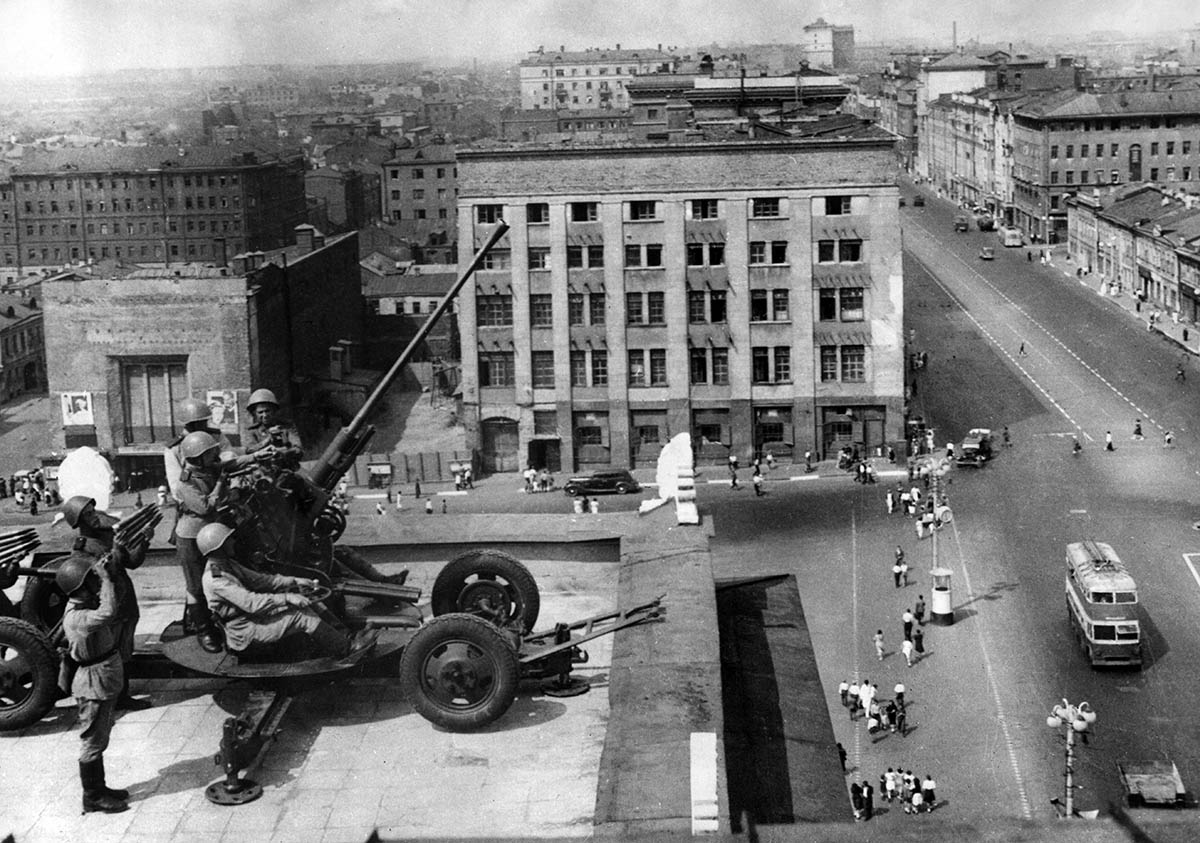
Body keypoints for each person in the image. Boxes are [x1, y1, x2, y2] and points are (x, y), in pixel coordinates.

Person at [197, 523, 371, 660]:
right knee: (302, 617)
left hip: (253, 619)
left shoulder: (227, 565)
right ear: (218, 547)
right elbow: (252, 603)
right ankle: (347, 649)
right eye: (228, 540)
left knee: (308, 602)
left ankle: (346, 635)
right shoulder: (216, 579)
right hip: (244, 631)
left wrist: (295, 581)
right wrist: (287, 598)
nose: (233, 541)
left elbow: (262, 581)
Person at [59, 496, 152, 711]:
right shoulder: (81, 549)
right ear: (77, 520)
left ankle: (122, 694)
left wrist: (144, 542)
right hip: (108, 604)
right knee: (114, 651)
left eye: (93, 512)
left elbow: (132, 562)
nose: (94, 517)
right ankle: (116, 696)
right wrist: (118, 551)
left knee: (126, 651)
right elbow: (101, 575)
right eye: (88, 515)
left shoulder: (106, 536)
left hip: (126, 600)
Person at [57, 555, 132, 813]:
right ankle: (92, 796)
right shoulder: (76, 617)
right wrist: (105, 578)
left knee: (100, 736)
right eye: (90, 579)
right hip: (93, 683)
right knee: (93, 741)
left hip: (102, 677)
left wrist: (109, 575)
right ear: (80, 588)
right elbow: (108, 611)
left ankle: (99, 788)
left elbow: (114, 605)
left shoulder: (84, 604)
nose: (95, 582)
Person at [174, 430, 231, 653]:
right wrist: (221, 483)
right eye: (210, 453)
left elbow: (235, 462)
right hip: (191, 537)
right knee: (196, 586)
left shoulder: (209, 469)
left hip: (211, 533)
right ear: (197, 457)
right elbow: (206, 507)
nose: (215, 455)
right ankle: (204, 630)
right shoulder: (185, 483)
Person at [243, 389, 304, 471]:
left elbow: (298, 450)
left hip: (287, 468)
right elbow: (249, 451)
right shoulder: (252, 431)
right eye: (260, 412)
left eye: (267, 411)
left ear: (274, 411)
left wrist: (283, 452)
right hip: (262, 470)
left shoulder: (287, 427)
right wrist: (268, 439)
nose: (265, 415)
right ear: (254, 414)